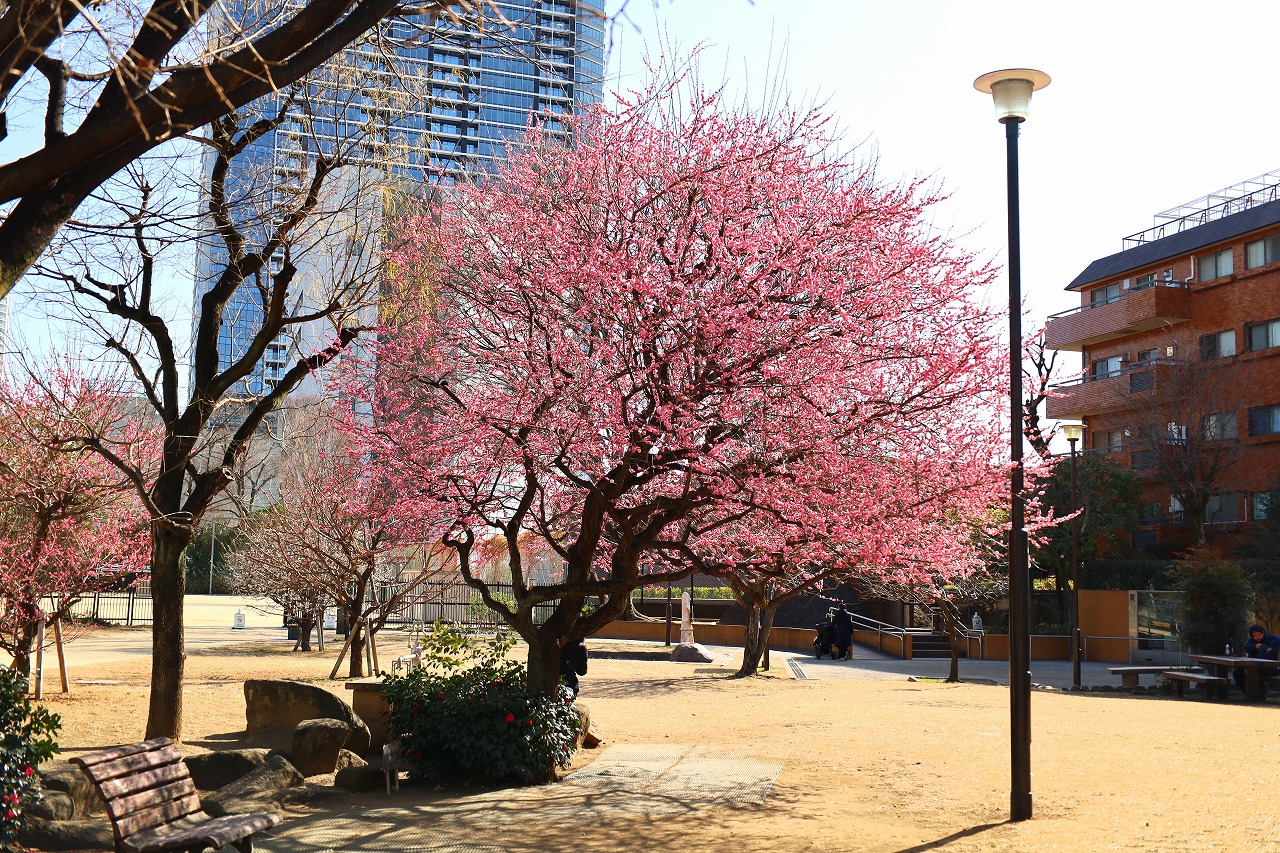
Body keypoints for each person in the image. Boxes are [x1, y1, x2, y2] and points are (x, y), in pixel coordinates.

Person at [1233, 624, 1280, 697]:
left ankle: (1257, 694)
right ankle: (1249, 693)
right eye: (1255, 636)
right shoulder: (1251, 641)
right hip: (1253, 666)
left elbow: (1278, 641)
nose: (1257, 637)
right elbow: (1247, 648)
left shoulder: (1271, 639)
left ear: (1263, 633)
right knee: (1237, 673)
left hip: (1268, 668)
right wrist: (1255, 647)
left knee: (1252, 673)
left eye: (1259, 635)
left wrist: (1268, 647)